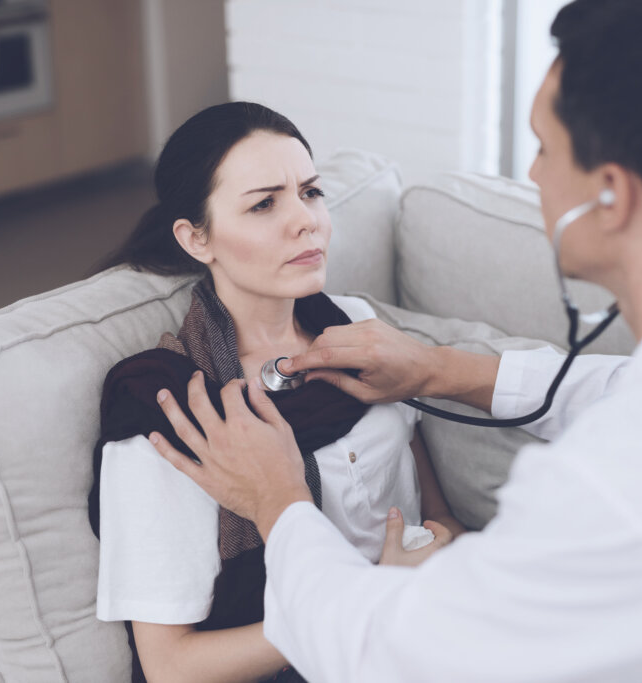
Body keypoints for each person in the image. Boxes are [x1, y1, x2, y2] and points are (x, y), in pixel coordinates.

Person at [146, 1, 642, 681]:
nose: (531, 174)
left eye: (545, 148)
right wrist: (439, 369)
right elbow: (630, 389)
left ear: (610, 195)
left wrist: (278, 501)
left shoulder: (617, 486)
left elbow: (392, 658)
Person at [88, 102, 464, 683]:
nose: (305, 220)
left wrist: (439, 556)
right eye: (264, 204)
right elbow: (169, 666)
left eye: (310, 192)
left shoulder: (357, 329)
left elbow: (432, 507)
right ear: (196, 239)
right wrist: (367, 600)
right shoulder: (173, 412)